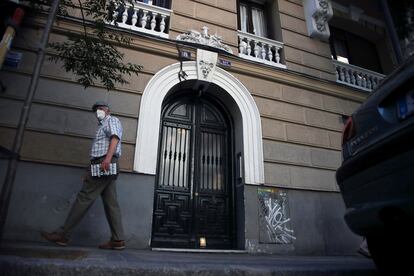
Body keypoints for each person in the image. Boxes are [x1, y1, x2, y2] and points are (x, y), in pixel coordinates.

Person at [41, 101, 125, 250]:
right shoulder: (101, 126)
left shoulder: (112, 120)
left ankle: (63, 234)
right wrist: (89, 170)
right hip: (102, 163)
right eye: (95, 110)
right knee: (111, 202)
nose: (97, 111)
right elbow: (98, 150)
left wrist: (106, 159)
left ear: (108, 110)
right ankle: (118, 240)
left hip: (105, 163)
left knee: (84, 197)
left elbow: (115, 138)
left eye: (100, 108)